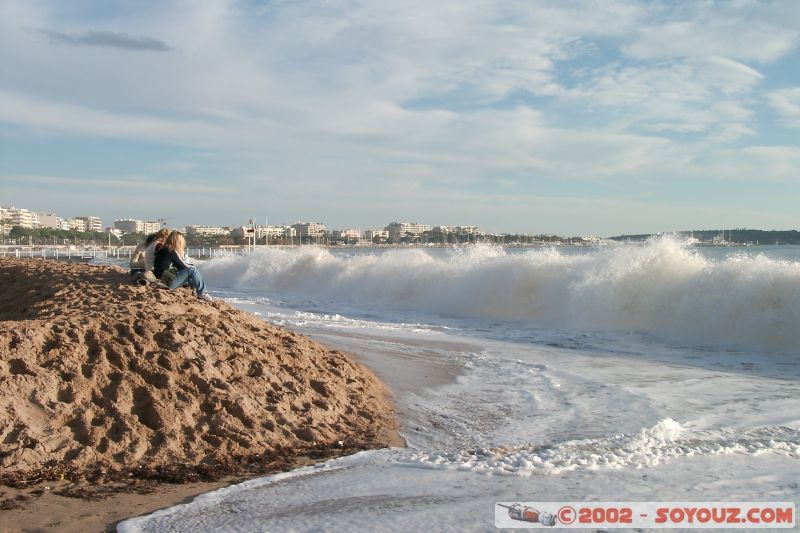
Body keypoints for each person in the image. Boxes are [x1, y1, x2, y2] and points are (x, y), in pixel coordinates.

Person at [154, 230, 212, 300]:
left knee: (187, 271)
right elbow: (184, 266)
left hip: (160, 279)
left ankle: (194, 291)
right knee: (193, 270)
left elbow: (178, 266)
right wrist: (193, 266)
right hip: (166, 282)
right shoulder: (171, 251)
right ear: (178, 242)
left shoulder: (162, 249)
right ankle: (202, 293)